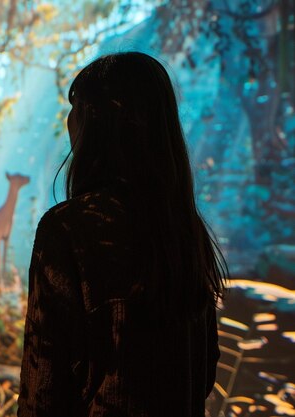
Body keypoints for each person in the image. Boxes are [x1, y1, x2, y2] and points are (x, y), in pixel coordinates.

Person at [17, 52, 228, 417]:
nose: (70, 120)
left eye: (76, 106)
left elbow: (43, 391)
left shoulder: (67, 228)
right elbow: (203, 373)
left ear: (96, 121)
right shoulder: (184, 230)